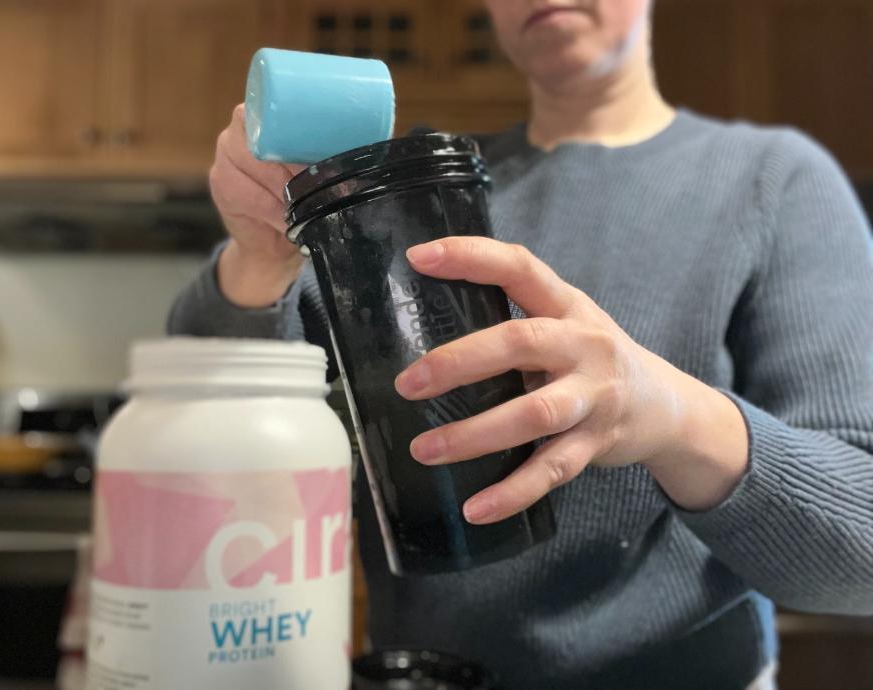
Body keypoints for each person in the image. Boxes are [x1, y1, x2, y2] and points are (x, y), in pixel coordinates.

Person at [168, 1, 873, 687]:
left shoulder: (774, 181)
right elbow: (199, 442)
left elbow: (861, 551)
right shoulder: (406, 201)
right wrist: (260, 259)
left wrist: (671, 416)